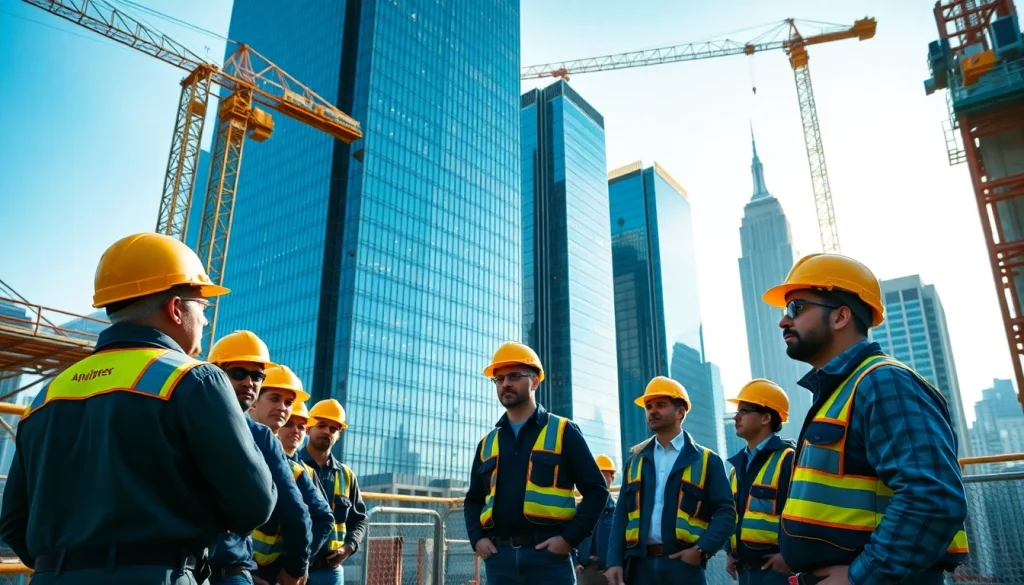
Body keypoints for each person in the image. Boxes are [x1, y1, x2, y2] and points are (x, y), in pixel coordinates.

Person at [0, 232, 276, 585]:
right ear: (176, 309)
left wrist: (67, 564)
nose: (205, 321)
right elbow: (254, 502)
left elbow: (12, 522)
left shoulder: (47, 394)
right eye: (202, 307)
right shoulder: (194, 379)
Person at [762, 253, 969, 585]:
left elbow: (932, 497)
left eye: (796, 308)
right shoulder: (841, 390)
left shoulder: (882, 382)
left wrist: (862, 576)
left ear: (841, 316)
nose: (783, 321)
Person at [464, 341, 609, 585]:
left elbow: (597, 491)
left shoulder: (564, 431)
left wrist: (568, 541)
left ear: (535, 381)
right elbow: (473, 500)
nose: (505, 384)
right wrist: (477, 539)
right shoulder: (487, 443)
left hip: (549, 560)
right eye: (499, 379)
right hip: (500, 560)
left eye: (514, 376)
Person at [605, 376, 735, 585]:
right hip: (639, 566)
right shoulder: (635, 461)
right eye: (648, 406)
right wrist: (614, 562)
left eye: (661, 405)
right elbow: (621, 517)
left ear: (680, 412)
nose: (652, 411)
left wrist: (701, 550)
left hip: (683, 567)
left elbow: (726, 513)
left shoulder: (707, 461)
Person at [208, 331, 313, 585]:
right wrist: (296, 566)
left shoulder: (263, 438)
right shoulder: (188, 422)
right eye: (239, 373)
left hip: (222, 572)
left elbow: (295, 511)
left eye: (257, 376)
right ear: (214, 373)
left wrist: (295, 566)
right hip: (189, 569)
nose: (249, 382)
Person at [248, 366, 334, 585]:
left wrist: (293, 568)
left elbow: (322, 518)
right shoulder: (226, 444)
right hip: (229, 568)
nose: (282, 408)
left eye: (288, 402)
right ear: (254, 401)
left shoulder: (295, 469)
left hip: (267, 575)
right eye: (275, 398)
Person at [724, 379, 795, 585]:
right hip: (744, 571)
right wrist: (730, 551)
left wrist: (790, 557)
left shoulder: (788, 459)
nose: (736, 417)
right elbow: (734, 514)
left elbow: (801, 516)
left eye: (744, 411)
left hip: (778, 571)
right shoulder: (736, 468)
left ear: (765, 418)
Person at [298, 399, 368, 585]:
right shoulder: (290, 464)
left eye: (333, 428)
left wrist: (348, 547)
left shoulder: (347, 475)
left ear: (338, 435)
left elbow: (360, 518)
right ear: (308, 428)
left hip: (330, 571)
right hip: (291, 567)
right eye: (321, 425)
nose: (327, 431)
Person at [573, 454, 617, 579]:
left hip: (609, 571)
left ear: (612, 478)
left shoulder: (618, 511)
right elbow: (568, 538)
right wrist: (575, 563)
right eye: (598, 474)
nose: (601, 479)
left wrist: (616, 565)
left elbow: (623, 543)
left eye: (604, 475)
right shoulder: (580, 510)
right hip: (584, 571)